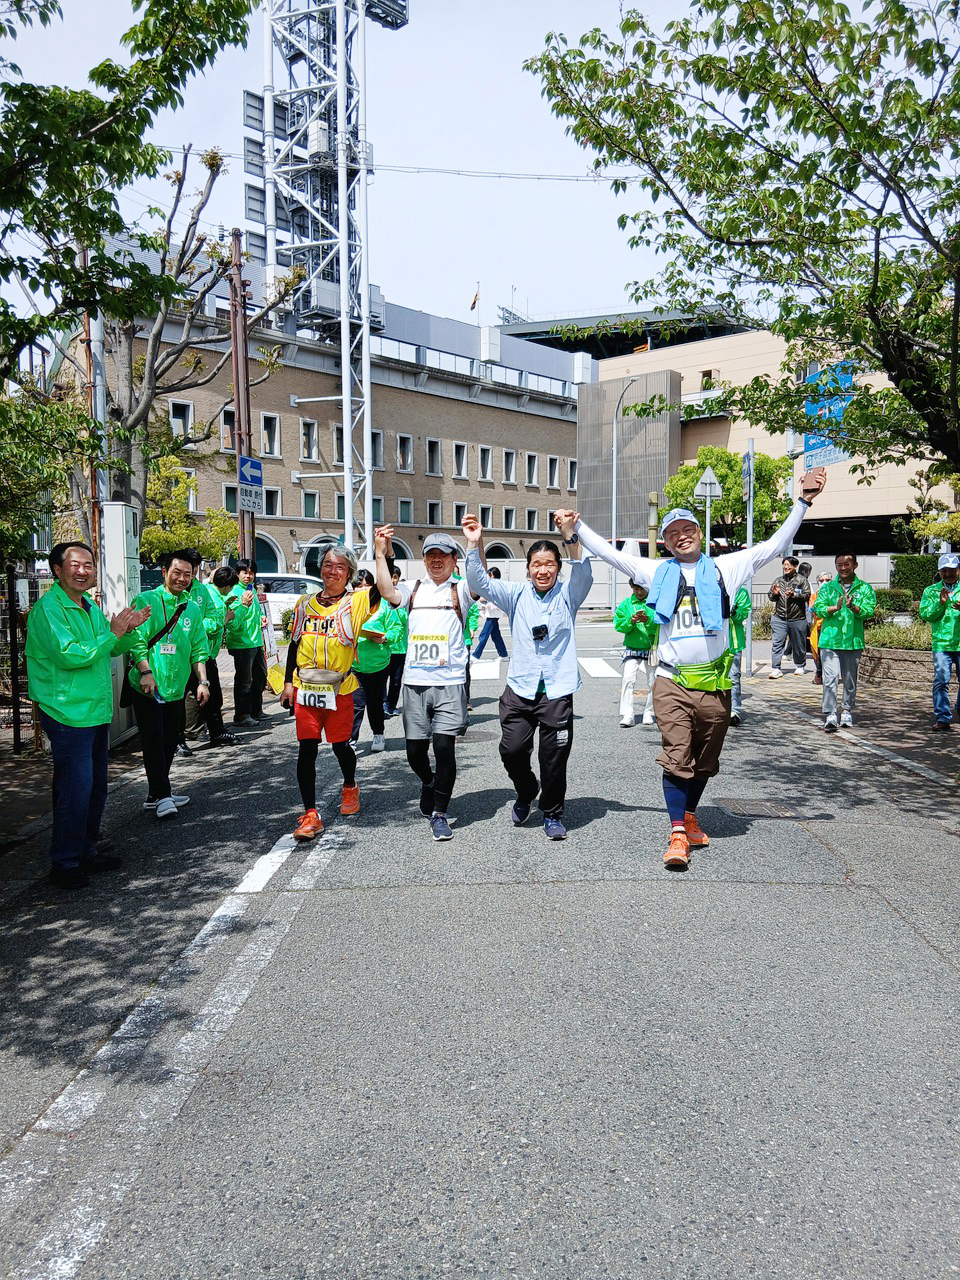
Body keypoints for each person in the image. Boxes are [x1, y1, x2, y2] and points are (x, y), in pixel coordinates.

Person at [563, 466, 827, 870]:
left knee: (705, 761)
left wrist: (803, 501)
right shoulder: (654, 571)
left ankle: (689, 815)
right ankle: (676, 833)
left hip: (715, 682)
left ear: (698, 533)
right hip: (671, 681)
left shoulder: (728, 567)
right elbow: (610, 555)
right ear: (666, 541)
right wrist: (578, 527)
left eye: (686, 528)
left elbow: (775, 545)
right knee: (676, 755)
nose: (680, 535)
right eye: (672, 532)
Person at [25, 542, 150, 888]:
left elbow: (108, 647)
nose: (83, 571)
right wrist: (113, 634)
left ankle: (86, 849)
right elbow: (71, 655)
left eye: (89, 565)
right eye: (75, 564)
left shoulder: (88, 606)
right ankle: (64, 863)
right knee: (75, 789)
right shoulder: (49, 609)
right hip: (66, 711)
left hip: (93, 710)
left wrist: (130, 630)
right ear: (57, 569)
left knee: (94, 787)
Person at [463, 511, 593, 839]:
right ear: (528, 569)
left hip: (556, 690)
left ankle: (552, 812)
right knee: (511, 750)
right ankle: (526, 790)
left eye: (549, 563)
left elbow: (584, 572)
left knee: (554, 758)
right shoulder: (515, 595)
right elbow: (479, 582)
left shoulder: (569, 595)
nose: (543, 569)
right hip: (519, 689)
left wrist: (569, 534)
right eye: (537, 563)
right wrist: (474, 544)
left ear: (557, 568)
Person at [374, 528, 472, 842]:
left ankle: (440, 813)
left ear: (454, 560)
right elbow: (387, 591)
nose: (436, 560)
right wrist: (381, 552)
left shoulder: (463, 591)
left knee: (444, 747)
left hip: (450, 684)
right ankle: (429, 782)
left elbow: (481, 581)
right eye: (431, 555)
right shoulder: (413, 590)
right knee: (415, 752)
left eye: (443, 555)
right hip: (415, 684)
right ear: (424, 559)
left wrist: (474, 543)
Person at [281, 544, 374, 839]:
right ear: (320, 567)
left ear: (349, 573)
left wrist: (385, 553)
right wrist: (286, 683)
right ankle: (310, 814)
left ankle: (349, 786)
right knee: (306, 749)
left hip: (340, 688)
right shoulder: (304, 603)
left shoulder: (356, 601)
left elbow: (383, 590)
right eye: (328, 565)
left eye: (340, 567)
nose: (332, 571)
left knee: (340, 746)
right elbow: (295, 644)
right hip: (306, 687)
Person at [127, 550, 211, 818]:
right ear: (164, 572)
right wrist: (145, 671)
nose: (182, 578)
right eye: (177, 573)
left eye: (188, 574)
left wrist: (203, 681)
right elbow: (137, 640)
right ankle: (163, 794)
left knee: (172, 738)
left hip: (176, 686)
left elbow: (199, 649)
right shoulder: (146, 600)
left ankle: (155, 794)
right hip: (148, 686)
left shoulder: (192, 608)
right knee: (153, 740)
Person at [812, 552, 877, 732]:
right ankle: (831, 714)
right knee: (830, 679)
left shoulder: (864, 588)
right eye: (839, 564)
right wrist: (835, 607)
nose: (843, 568)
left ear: (854, 565)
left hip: (853, 641)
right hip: (830, 640)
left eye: (847, 564)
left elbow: (869, 610)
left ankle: (847, 710)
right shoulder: (827, 588)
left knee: (849, 680)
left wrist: (853, 607)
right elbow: (818, 607)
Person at [350, 569, 403, 751]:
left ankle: (378, 734)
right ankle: (351, 740)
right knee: (355, 705)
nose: (363, 589)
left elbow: (397, 630)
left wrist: (385, 637)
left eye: (367, 585)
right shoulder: (347, 605)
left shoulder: (384, 605)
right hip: (355, 665)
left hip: (379, 665)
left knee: (374, 704)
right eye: (358, 586)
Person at [918, 552, 960, 731]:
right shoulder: (931, 591)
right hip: (942, 644)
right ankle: (943, 717)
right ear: (939, 571)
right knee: (941, 680)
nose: (948, 574)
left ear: (959, 570)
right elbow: (926, 615)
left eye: (952, 570)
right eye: (945, 571)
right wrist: (940, 604)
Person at [225, 558, 268, 728]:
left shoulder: (252, 590)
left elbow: (253, 614)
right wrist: (243, 604)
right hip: (241, 643)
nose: (248, 576)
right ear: (238, 573)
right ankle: (242, 715)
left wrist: (260, 618)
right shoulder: (234, 592)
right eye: (245, 572)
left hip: (255, 641)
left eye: (251, 572)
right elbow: (232, 621)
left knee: (259, 677)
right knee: (244, 681)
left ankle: (256, 710)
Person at [613, 580, 658, 728]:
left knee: (653, 682)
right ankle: (628, 714)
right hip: (632, 647)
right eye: (636, 589)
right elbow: (619, 626)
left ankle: (649, 712)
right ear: (632, 588)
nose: (639, 592)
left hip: (651, 648)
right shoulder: (626, 604)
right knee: (628, 679)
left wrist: (648, 620)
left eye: (642, 589)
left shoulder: (654, 602)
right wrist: (631, 621)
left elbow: (660, 625)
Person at [767, 555, 811, 677]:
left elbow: (807, 595)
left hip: (797, 618)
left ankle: (800, 665)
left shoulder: (802, 580)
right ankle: (776, 668)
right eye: (784, 565)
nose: (786, 567)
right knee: (777, 643)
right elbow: (771, 596)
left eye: (788, 565)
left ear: (795, 566)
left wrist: (794, 595)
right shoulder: (778, 580)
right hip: (779, 617)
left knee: (798, 643)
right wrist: (774, 594)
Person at [383, 566, 407, 718]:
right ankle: (384, 704)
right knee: (382, 679)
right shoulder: (380, 598)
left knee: (396, 680)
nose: (393, 580)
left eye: (396, 577)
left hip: (400, 647)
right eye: (390, 577)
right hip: (383, 646)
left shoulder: (404, 597)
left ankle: (392, 705)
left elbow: (405, 619)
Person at [728, 586, 752, 726]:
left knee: (733, 676)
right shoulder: (711, 586)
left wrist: (732, 611)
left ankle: (734, 710)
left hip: (733, 641)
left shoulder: (740, 591)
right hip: (714, 641)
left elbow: (743, 613)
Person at [472, 573, 509, 658]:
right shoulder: (490, 586)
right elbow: (481, 599)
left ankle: (476, 655)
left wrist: (487, 597)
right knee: (496, 636)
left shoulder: (496, 586)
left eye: (490, 575)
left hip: (493, 613)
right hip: (492, 613)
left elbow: (486, 597)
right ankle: (503, 654)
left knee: (483, 635)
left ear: (493, 576)